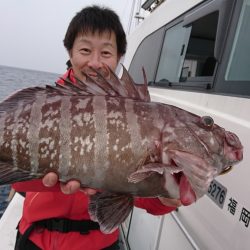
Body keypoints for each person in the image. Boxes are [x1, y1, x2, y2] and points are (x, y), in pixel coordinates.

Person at [12, 5, 202, 250]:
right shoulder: (42, 107)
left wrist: (168, 196)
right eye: (85, 50)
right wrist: (60, 175)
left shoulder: (137, 116)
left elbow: (140, 194)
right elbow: (17, 182)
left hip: (97, 243)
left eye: (106, 53)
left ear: (119, 56)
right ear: (70, 52)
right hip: (35, 239)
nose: (94, 62)